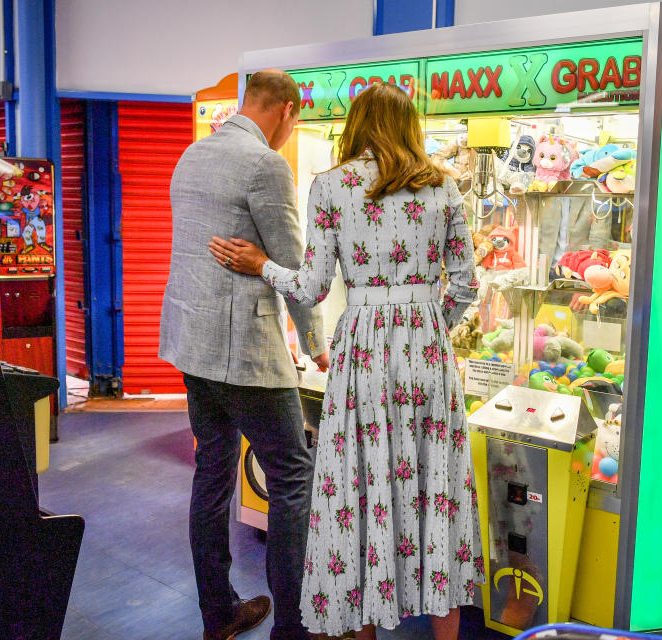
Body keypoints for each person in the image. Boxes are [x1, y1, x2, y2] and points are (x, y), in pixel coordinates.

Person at [209, 82, 484, 640]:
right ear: (410, 126)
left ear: (357, 124)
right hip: (427, 351)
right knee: (437, 491)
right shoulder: (444, 190)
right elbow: (465, 286)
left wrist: (262, 264)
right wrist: (428, 325)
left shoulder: (332, 187)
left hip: (362, 351)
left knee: (357, 494)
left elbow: (310, 287)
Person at [159, 69, 329, 640]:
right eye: (296, 117)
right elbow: (293, 264)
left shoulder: (194, 154)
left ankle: (219, 613)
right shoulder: (266, 165)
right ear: (286, 109)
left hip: (193, 343)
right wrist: (316, 343)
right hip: (244, 353)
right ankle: (294, 628)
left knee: (213, 472)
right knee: (291, 474)